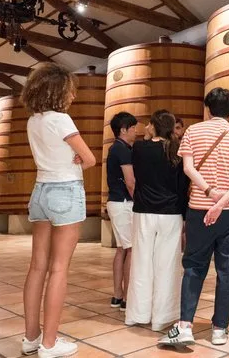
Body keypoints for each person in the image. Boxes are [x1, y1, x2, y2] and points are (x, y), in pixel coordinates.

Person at [159, 87, 229, 347]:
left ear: (208, 108)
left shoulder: (192, 131)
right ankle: (220, 329)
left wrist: (211, 194)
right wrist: (222, 203)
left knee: (194, 266)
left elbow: (188, 168)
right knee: (227, 270)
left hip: (200, 208)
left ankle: (185, 326)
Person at [20, 63, 96, 358]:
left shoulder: (33, 121)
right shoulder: (61, 119)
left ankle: (31, 338)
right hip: (65, 191)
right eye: (70, 90)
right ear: (57, 91)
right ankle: (49, 344)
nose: (73, 95)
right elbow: (89, 159)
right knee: (59, 268)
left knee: (37, 266)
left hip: (40, 191)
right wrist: (77, 159)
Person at [125, 110, 188, 332]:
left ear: (153, 125)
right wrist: (184, 217)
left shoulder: (139, 148)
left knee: (141, 262)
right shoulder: (177, 150)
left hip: (143, 211)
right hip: (171, 213)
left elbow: (136, 177)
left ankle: (138, 314)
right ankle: (162, 317)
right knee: (167, 265)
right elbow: (183, 187)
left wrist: (147, 137)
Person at [106, 111, 137, 312]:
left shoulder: (115, 147)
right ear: (124, 130)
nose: (136, 131)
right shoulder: (122, 149)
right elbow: (130, 182)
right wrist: (140, 201)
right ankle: (126, 298)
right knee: (131, 248)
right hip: (124, 203)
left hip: (116, 203)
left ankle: (117, 295)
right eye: (133, 128)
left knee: (121, 249)